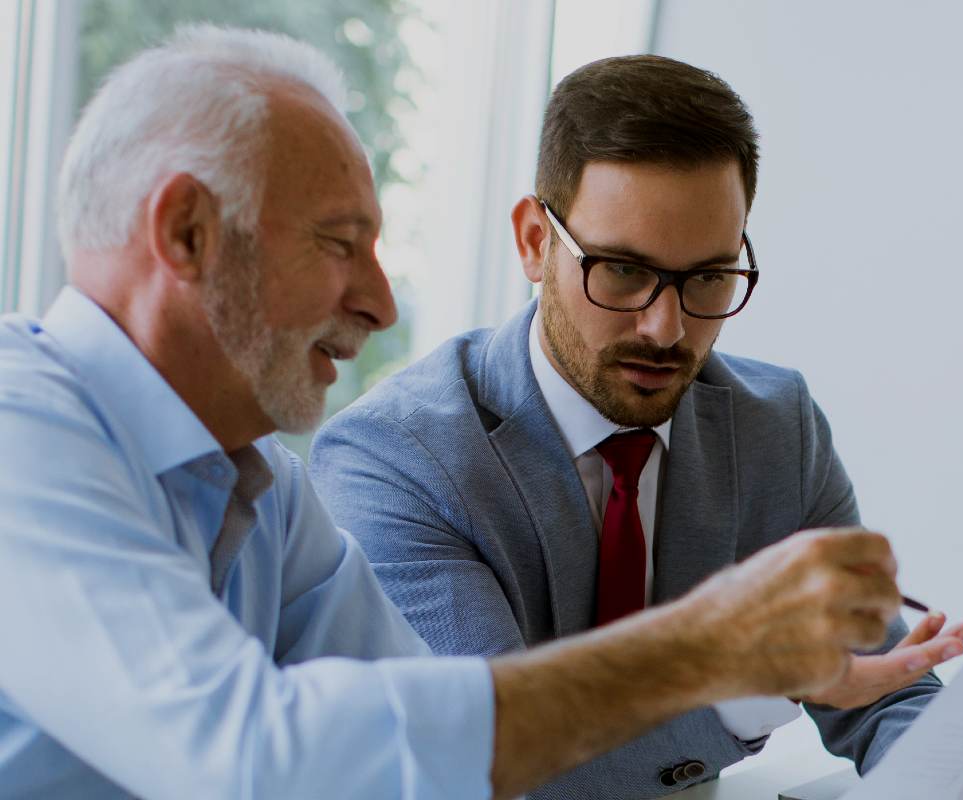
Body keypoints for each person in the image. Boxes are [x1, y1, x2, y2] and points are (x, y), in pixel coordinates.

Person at [0, 26, 912, 800]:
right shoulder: (17, 426)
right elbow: (258, 756)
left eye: (708, 277)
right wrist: (715, 653)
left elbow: (448, 750)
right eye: (338, 244)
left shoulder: (265, 492)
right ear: (187, 233)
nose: (380, 304)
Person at [308, 55, 963, 796]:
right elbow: (495, 760)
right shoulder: (395, 459)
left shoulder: (776, 427)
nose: (667, 328)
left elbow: (884, 687)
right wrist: (750, 686)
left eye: (709, 278)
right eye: (623, 271)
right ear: (535, 241)